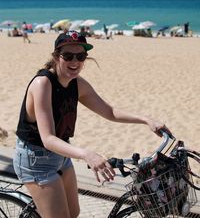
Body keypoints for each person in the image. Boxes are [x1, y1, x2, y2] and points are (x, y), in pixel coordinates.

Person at [13, 30, 172, 218]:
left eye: (80, 56)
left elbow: (109, 112)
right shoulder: (43, 84)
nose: (75, 62)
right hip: (35, 159)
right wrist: (87, 155)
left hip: (61, 155)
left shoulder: (76, 83)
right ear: (56, 57)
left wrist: (147, 120)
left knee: (74, 213)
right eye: (68, 56)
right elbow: (48, 138)